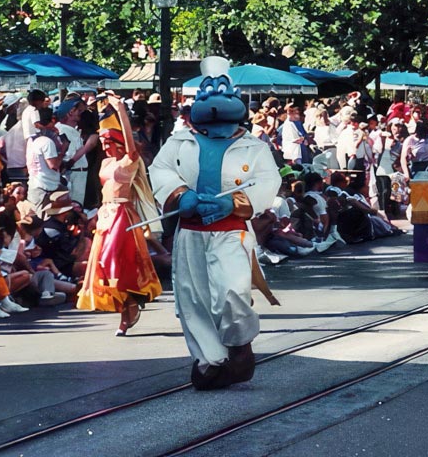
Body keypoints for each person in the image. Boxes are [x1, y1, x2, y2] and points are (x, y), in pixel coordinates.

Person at [149, 57, 281, 390]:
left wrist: (232, 203)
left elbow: (268, 181)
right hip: (191, 233)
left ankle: (239, 347)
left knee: (230, 293)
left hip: (230, 233)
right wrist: (181, 195)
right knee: (192, 297)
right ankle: (209, 358)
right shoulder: (179, 141)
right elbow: (160, 170)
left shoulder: (254, 147)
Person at [77, 96, 162, 334]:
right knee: (104, 265)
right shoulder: (104, 164)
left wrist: (121, 109)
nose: (104, 145)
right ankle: (127, 308)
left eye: (107, 140)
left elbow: (130, 143)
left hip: (123, 215)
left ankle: (131, 305)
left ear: (117, 140)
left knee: (117, 262)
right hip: (106, 214)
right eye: (102, 140)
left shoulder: (129, 161)